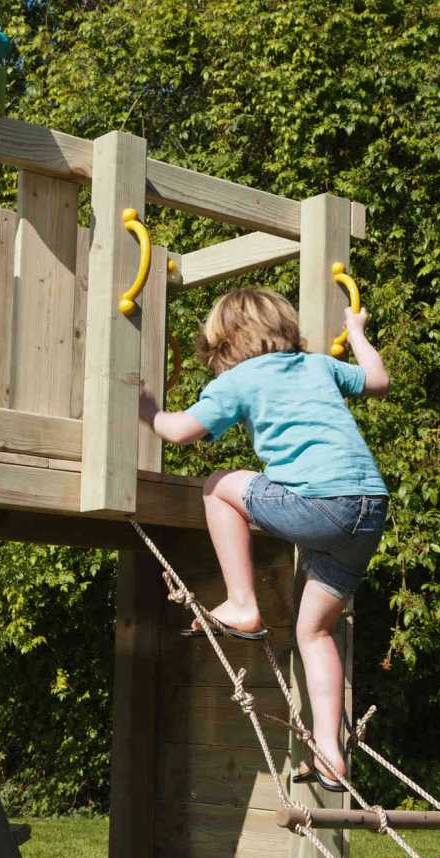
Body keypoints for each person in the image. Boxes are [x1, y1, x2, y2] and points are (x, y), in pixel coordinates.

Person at [138, 287, 390, 791]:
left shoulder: (240, 379)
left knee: (218, 488)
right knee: (313, 631)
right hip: (369, 510)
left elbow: (184, 431)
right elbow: (378, 381)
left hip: (319, 504)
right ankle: (330, 754)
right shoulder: (317, 365)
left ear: (226, 343)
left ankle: (241, 603)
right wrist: (357, 333)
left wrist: (146, 411)